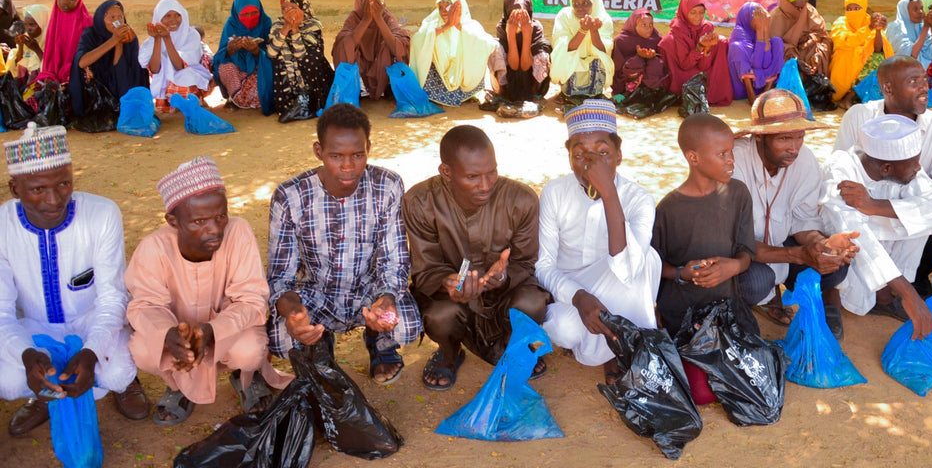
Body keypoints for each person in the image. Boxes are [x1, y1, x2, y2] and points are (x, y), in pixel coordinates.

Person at [0, 124, 149, 435]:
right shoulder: (3, 226)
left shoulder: (102, 213)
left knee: (118, 373)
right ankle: (43, 395)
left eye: (63, 183)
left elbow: (112, 297)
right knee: (9, 380)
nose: (54, 199)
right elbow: (1, 313)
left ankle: (125, 383)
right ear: (15, 189)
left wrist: (92, 351)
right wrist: (28, 354)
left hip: (91, 320)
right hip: (34, 328)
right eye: (38, 189)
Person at [126, 157, 291, 425]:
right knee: (143, 349)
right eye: (199, 221)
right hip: (176, 333)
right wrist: (169, 336)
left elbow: (252, 300)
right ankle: (179, 386)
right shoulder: (153, 248)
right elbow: (144, 306)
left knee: (250, 349)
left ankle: (246, 378)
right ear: (173, 220)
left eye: (220, 216)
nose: (214, 229)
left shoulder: (238, 232)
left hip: (225, 331)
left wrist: (213, 331)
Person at [267, 103, 420, 384]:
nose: (348, 166)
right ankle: (318, 340)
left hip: (368, 289)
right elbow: (280, 277)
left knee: (406, 326)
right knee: (280, 339)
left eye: (357, 155)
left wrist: (385, 301)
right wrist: (294, 313)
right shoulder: (290, 196)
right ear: (318, 151)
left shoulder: (388, 185)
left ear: (368, 148)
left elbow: (394, 260)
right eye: (336, 155)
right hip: (316, 292)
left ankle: (379, 340)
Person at [405, 125, 548, 390]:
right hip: (453, 301)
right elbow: (425, 271)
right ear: (446, 172)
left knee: (532, 302)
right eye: (472, 176)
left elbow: (526, 262)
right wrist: (449, 283)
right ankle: (449, 354)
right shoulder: (420, 202)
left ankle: (511, 345)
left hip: (505, 295)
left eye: (491, 172)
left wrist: (503, 277)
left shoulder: (521, 200)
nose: (485, 185)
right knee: (439, 316)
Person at [536, 100, 660, 380]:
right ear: (569, 157)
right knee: (561, 329)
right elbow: (544, 265)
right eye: (580, 154)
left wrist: (609, 195)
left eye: (603, 152)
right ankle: (612, 341)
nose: (591, 164)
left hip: (624, 282)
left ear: (619, 155)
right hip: (574, 289)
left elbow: (628, 269)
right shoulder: (554, 192)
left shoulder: (639, 198)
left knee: (647, 259)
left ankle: (625, 349)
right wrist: (578, 297)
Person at [821, 114, 932, 336]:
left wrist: (874, 206)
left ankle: (884, 294)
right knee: (845, 239)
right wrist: (910, 294)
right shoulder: (841, 169)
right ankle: (829, 298)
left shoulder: (907, 172)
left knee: (922, 219)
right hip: (842, 248)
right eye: (914, 163)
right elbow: (856, 235)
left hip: (879, 246)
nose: (919, 168)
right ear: (886, 169)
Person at [834, 55, 932, 295]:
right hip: (865, 220)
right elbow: (844, 179)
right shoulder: (858, 117)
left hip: (917, 221)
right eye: (913, 81)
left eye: (925, 80)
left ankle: (909, 281)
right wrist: (869, 206)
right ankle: (885, 288)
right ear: (888, 88)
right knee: (844, 223)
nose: (924, 87)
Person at [733, 90, 858, 337]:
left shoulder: (805, 161)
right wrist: (799, 255)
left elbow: (803, 219)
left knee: (836, 266)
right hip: (740, 254)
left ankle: (778, 295)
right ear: (760, 137)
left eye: (799, 137)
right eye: (784, 138)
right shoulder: (733, 162)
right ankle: (755, 303)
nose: (794, 148)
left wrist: (820, 244)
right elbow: (734, 241)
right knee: (756, 282)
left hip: (782, 248)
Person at [651, 113, 755, 337]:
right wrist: (682, 273)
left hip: (727, 305)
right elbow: (653, 266)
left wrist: (733, 267)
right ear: (693, 158)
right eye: (722, 154)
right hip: (681, 310)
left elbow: (745, 251)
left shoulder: (738, 194)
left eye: (731, 151)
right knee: (695, 368)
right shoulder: (668, 210)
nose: (731, 160)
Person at [411, 0, 499, 107]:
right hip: (438, 79)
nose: (443, 12)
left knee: (477, 48)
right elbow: (417, 40)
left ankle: (467, 94)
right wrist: (446, 27)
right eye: (440, 8)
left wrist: (458, 26)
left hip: (463, 81)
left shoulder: (471, 25)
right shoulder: (432, 23)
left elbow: (488, 44)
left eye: (448, 8)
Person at [67, 0, 148, 118]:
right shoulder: (90, 35)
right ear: (101, 18)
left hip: (120, 84)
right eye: (112, 17)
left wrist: (119, 43)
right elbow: (81, 62)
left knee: (138, 68)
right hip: (97, 86)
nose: (117, 20)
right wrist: (113, 40)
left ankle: (126, 106)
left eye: (120, 17)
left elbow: (120, 71)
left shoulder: (128, 35)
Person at [266, 0, 335, 121]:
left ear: (302, 7)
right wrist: (286, 28)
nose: (288, 12)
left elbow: (301, 55)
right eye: (284, 9)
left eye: (292, 8)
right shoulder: (277, 25)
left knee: (311, 58)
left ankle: (307, 100)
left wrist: (295, 29)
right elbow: (271, 53)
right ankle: (293, 102)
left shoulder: (313, 25)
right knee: (279, 57)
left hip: (309, 76)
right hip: (288, 81)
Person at [332, 0, 411, 101]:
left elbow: (398, 49)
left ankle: (386, 87)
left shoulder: (387, 17)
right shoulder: (355, 17)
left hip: (381, 67)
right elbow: (345, 46)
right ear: (362, 2)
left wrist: (379, 19)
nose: (375, 5)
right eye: (370, 2)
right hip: (361, 68)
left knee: (396, 44)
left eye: (380, 1)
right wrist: (366, 19)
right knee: (343, 45)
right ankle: (356, 89)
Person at [659, 0, 734, 107]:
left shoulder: (706, 27)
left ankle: (713, 93)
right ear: (684, 11)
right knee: (667, 42)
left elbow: (703, 66)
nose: (698, 17)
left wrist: (707, 48)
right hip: (682, 67)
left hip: (699, 66)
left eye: (701, 12)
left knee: (721, 42)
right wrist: (699, 47)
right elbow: (685, 65)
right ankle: (681, 92)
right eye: (693, 12)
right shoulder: (679, 29)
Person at [138, 0, 213, 111]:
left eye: (177, 15)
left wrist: (167, 38)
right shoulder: (151, 41)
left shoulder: (191, 35)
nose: (173, 20)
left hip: (190, 75)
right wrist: (158, 38)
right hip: (166, 80)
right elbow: (154, 69)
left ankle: (196, 99)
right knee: (172, 83)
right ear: (159, 18)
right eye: (167, 16)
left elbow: (179, 66)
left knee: (184, 79)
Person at [212, 0, 273, 113]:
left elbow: (272, 53)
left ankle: (242, 100)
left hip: (257, 67)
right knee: (225, 68)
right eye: (245, 14)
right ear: (237, 13)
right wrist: (230, 49)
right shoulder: (231, 24)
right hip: (235, 67)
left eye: (254, 13)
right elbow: (219, 57)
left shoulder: (265, 22)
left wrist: (255, 50)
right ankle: (233, 98)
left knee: (266, 78)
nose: (250, 17)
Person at [551, 0, 614, 101]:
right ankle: (568, 94)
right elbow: (564, 47)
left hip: (594, 62)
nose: (580, 8)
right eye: (576, 4)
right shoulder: (564, 16)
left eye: (585, 3)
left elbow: (603, 50)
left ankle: (595, 93)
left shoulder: (603, 19)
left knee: (601, 59)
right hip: (572, 60)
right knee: (564, 56)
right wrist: (583, 30)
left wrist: (594, 30)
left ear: (593, 2)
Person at [488, 0, 551, 107]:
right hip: (508, 76)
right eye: (513, 13)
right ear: (507, 12)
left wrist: (527, 34)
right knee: (494, 47)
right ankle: (503, 91)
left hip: (531, 77)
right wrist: (511, 34)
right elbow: (514, 66)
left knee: (543, 48)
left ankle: (535, 92)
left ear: (529, 12)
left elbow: (525, 66)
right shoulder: (503, 27)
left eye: (523, 13)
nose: (519, 18)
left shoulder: (535, 27)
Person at [829, 0, 893, 102]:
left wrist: (877, 30)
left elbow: (878, 49)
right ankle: (847, 94)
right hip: (845, 67)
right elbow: (846, 42)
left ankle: (853, 96)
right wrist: (868, 29)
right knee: (849, 54)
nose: (853, 12)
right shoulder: (840, 23)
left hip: (863, 65)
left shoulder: (869, 20)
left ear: (864, 8)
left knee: (878, 58)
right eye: (849, 9)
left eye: (857, 8)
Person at [768, 0, 832, 77]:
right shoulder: (776, 18)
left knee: (819, 48)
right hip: (786, 53)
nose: (800, 11)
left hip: (806, 50)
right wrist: (795, 59)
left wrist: (816, 53)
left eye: (803, 7)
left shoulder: (809, 11)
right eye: (797, 7)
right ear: (787, 5)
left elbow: (822, 36)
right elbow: (773, 45)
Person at [728, 2, 784, 103]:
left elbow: (766, 63)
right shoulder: (739, 32)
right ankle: (751, 96)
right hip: (744, 86)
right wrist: (760, 32)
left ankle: (766, 92)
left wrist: (765, 30)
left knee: (777, 42)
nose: (762, 20)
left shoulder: (761, 28)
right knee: (737, 48)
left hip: (762, 81)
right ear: (748, 18)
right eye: (758, 17)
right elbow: (756, 64)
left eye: (763, 16)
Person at [38, 0, 90, 86]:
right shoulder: (54, 22)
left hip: (79, 74)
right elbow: (50, 55)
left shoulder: (87, 22)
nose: (65, 2)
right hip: (53, 76)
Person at [611, 7, 669, 96]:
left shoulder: (656, 39)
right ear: (634, 25)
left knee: (656, 63)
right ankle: (630, 92)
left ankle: (652, 92)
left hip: (649, 78)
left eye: (651, 25)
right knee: (636, 63)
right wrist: (638, 57)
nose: (649, 29)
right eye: (644, 25)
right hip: (628, 80)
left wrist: (652, 56)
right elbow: (618, 68)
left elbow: (664, 61)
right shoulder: (621, 40)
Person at [886, 0, 932, 76]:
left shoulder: (921, 27)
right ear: (905, 11)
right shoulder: (896, 28)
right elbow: (910, 57)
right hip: (901, 76)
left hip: (921, 77)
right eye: (915, 9)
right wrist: (926, 27)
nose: (920, 12)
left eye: (921, 8)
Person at [13, 5, 48, 79]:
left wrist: (37, 49)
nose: (28, 29)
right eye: (25, 24)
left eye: (32, 25)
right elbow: (18, 63)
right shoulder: (27, 38)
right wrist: (21, 46)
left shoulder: (50, 40)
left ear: (42, 23)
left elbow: (48, 68)